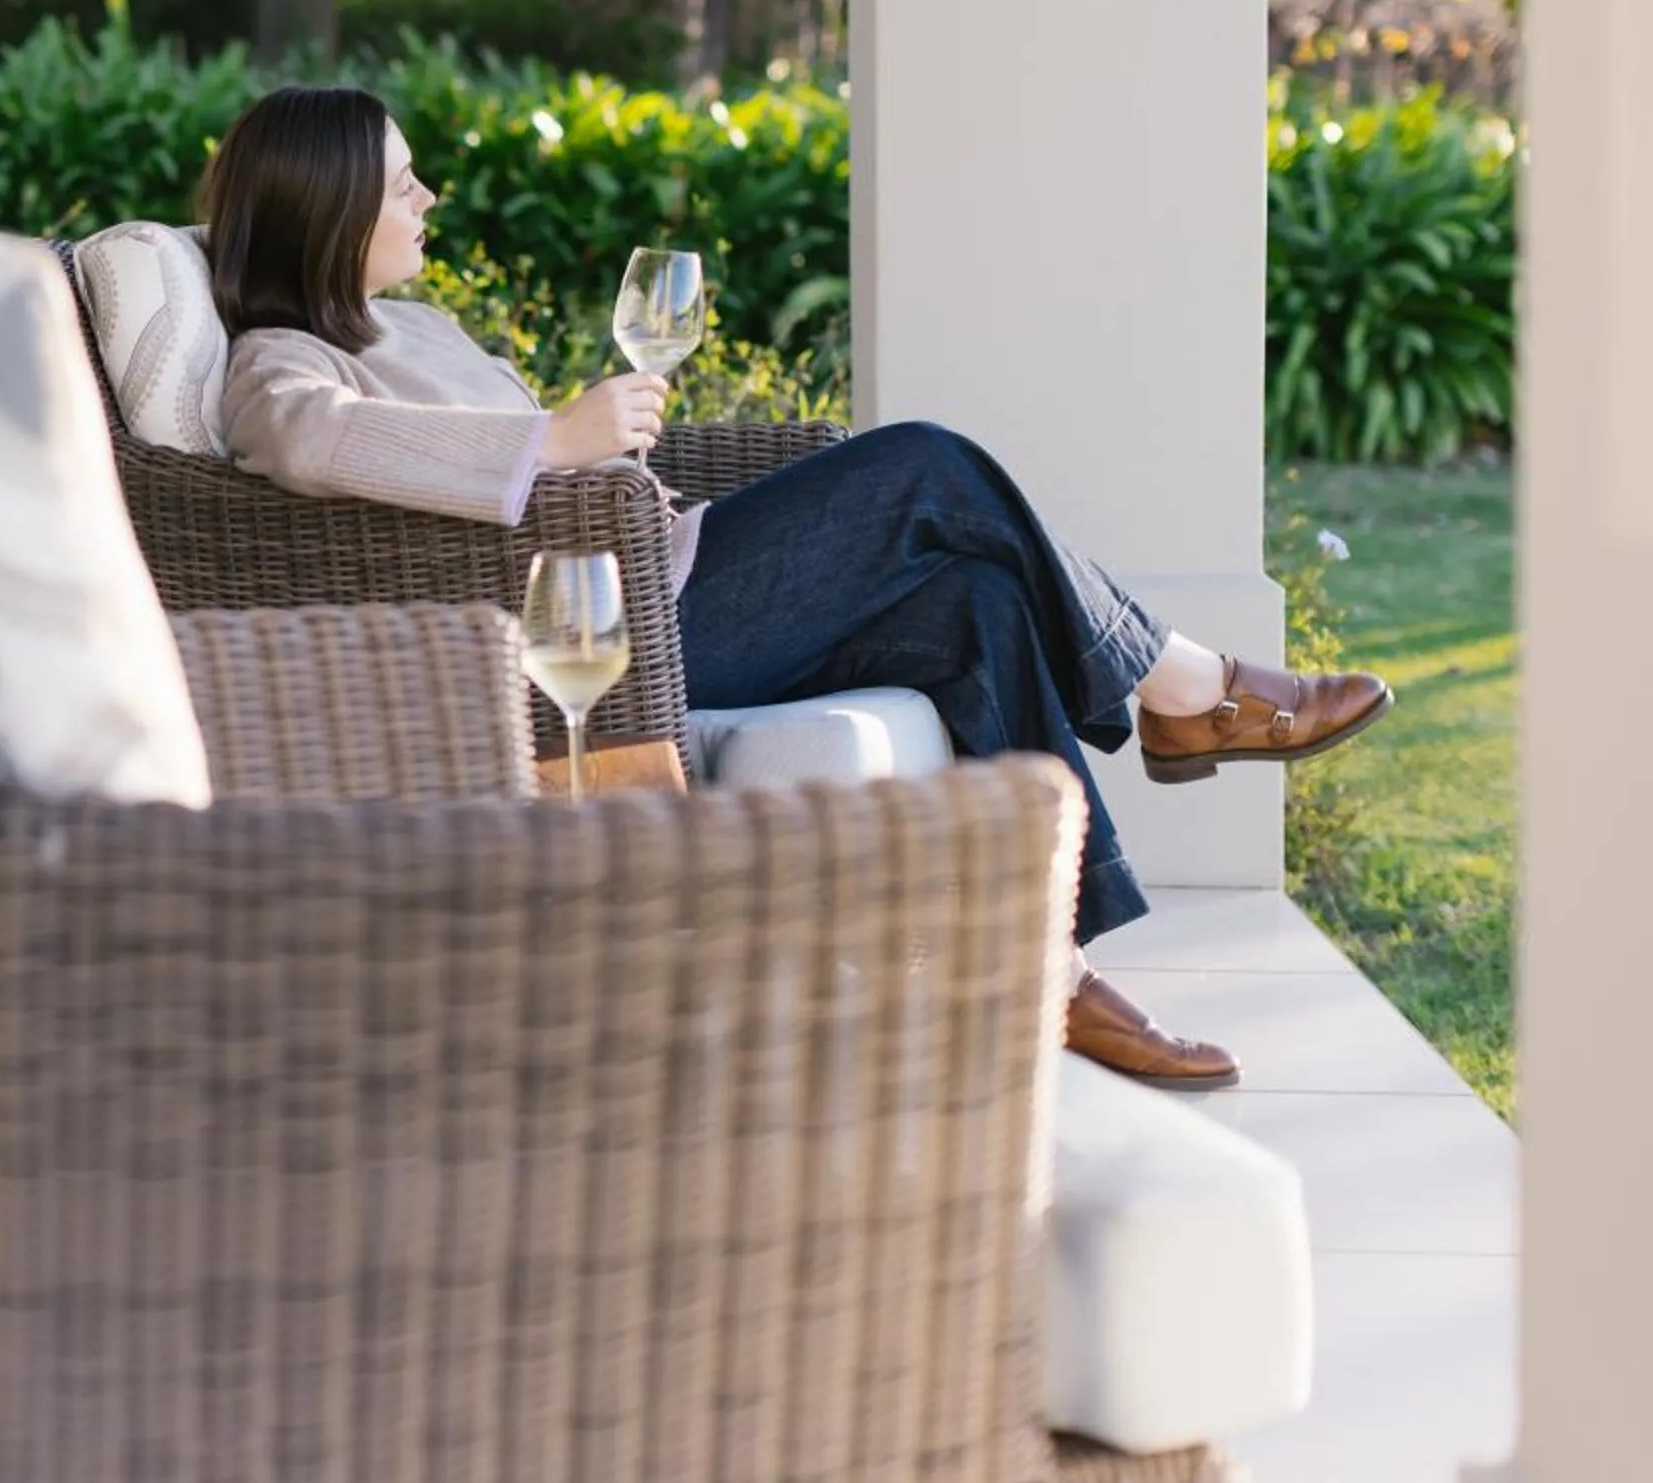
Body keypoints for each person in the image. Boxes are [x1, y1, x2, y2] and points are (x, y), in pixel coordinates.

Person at [204, 85, 1390, 1090]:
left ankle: (1051, 969)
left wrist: (592, 448)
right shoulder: (278, 358)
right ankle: (1193, 691)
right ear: (329, 204)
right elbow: (316, 446)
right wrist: (553, 442)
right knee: (927, 461)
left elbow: (523, 466)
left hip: (670, 565)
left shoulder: (418, 325)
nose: (426, 200)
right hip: (617, 636)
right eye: (402, 184)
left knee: (972, 599)